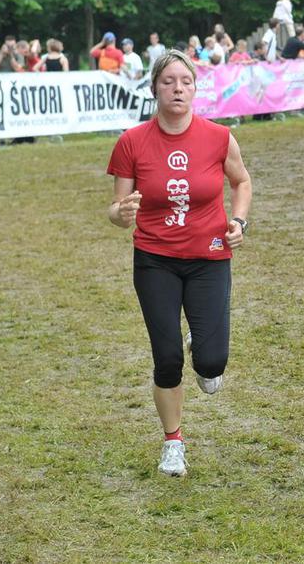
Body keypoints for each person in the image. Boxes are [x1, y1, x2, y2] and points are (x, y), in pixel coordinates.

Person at [106, 50, 252, 477]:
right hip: (155, 260)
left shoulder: (219, 137)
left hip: (210, 257)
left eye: (185, 82)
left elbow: (241, 181)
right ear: (154, 87)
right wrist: (122, 214)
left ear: (195, 89)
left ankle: (201, 346)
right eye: (168, 81)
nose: (177, 89)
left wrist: (239, 221)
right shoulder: (132, 141)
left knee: (211, 364)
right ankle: (173, 442)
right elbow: (116, 209)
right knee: (167, 358)